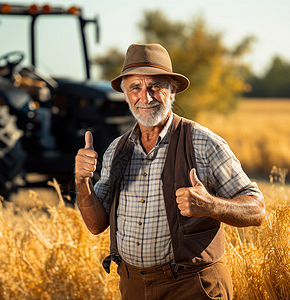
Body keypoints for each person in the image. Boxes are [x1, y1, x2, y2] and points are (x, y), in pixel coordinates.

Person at [74, 43, 265, 300]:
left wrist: (210, 205)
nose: (146, 97)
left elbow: (257, 209)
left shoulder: (203, 142)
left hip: (192, 287)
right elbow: (96, 225)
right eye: (135, 88)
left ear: (172, 91)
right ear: (125, 94)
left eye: (156, 86)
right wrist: (81, 180)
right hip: (133, 288)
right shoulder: (117, 150)